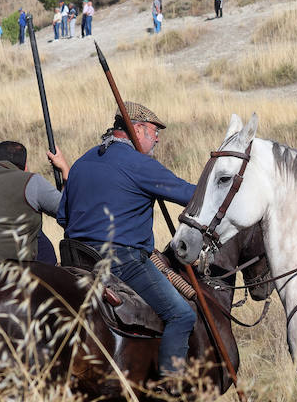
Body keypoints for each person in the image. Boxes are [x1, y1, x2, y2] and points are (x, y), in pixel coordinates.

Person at [57, 103, 197, 384]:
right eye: (154, 132)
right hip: (123, 262)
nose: (156, 138)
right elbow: (190, 196)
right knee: (181, 316)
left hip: (77, 259)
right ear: (136, 129)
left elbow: (63, 216)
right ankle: (172, 386)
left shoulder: (82, 162)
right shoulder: (140, 164)